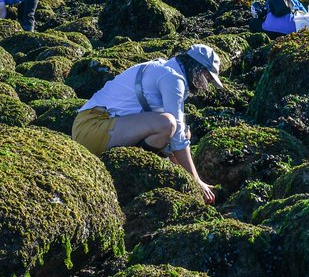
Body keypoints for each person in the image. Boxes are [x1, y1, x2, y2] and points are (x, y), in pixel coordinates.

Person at [71, 43, 222, 203]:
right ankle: (125, 171)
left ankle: (128, 167)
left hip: (97, 129)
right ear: (197, 69)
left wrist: (188, 180)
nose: (205, 85)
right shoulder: (172, 77)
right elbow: (176, 135)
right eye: (207, 78)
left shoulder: (166, 69)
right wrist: (196, 180)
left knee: (183, 131)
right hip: (92, 127)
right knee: (168, 124)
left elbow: (178, 137)